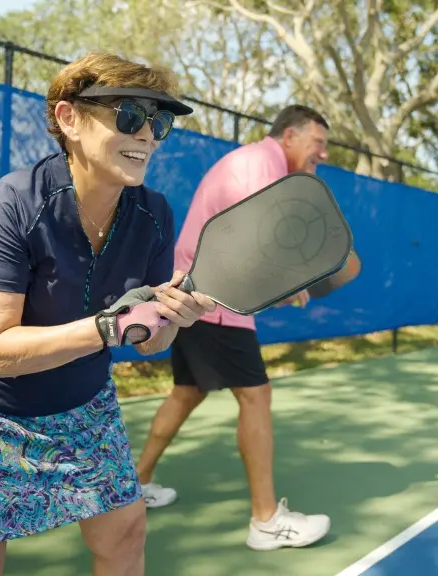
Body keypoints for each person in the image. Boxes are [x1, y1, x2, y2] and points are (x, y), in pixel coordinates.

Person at [0, 51, 216, 576]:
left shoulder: (155, 214)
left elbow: (150, 342)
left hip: (83, 402)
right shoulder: (11, 203)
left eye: (160, 122)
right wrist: (107, 327)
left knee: (125, 531)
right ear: (69, 118)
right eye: (129, 116)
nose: (147, 134)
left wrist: (172, 320)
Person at [133, 105, 332, 551]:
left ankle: (133, 485)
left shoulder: (257, 164)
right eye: (317, 142)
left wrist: (287, 284)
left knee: (187, 392)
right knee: (256, 395)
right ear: (289, 136)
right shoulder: (262, 165)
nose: (323, 153)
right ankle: (265, 521)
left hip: (197, 291)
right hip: (213, 299)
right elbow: (258, 246)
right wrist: (290, 287)